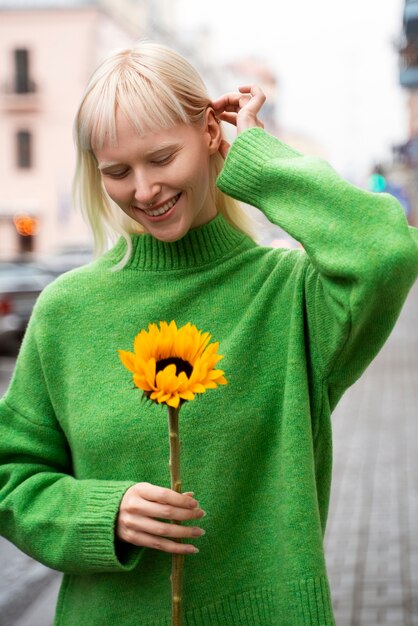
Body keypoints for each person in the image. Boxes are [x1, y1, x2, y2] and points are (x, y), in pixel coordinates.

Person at [0, 42, 417, 626]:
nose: (143, 191)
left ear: (210, 137)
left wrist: (257, 156)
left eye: (162, 158)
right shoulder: (66, 310)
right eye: (117, 172)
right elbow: (11, 476)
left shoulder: (290, 296)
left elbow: (385, 250)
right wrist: (99, 512)